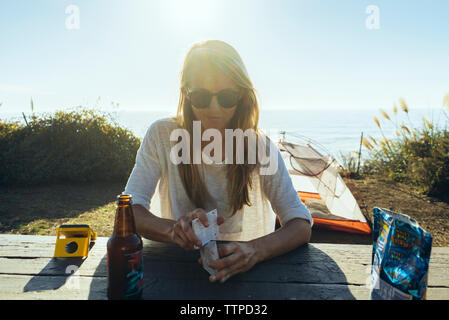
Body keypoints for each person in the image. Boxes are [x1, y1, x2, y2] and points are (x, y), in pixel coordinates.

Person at [124, 40, 313, 283]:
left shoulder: (259, 146)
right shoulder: (162, 135)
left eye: (227, 97)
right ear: (186, 94)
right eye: (201, 97)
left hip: (250, 278)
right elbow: (130, 210)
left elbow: (300, 224)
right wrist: (173, 230)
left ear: (242, 96)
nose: (214, 109)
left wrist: (255, 251)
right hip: (173, 272)